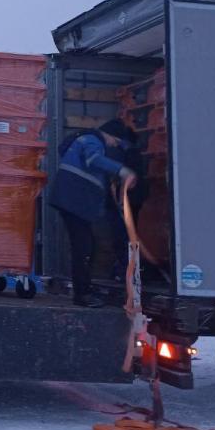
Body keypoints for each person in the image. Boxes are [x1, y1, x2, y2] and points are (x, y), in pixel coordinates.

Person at [48, 119, 137, 307]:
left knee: (87, 246)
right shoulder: (92, 141)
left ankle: (85, 289)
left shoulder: (84, 140)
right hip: (74, 202)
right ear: (110, 135)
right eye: (116, 141)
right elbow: (93, 160)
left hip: (73, 202)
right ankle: (82, 295)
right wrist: (122, 171)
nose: (115, 145)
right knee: (84, 247)